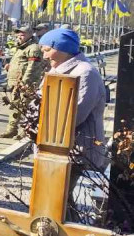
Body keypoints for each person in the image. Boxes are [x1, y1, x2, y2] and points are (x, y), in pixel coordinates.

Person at [39, 28, 107, 175]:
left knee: (60, 195)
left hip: (78, 150)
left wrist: (42, 124)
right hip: (57, 147)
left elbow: (75, 115)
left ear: (63, 49)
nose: (44, 56)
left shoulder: (84, 73)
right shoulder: (56, 70)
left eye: (47, 50)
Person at [0, 24, 46, 138]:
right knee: (15, 105)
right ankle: (12, 129)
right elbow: (20, 64)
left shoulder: (33, 47)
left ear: (30, 35)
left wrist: (24, 83)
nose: (19, 36)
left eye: (23, 34)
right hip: (15, 82)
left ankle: (25, 131)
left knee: (26, 107)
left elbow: (32, 66)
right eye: (18, 34)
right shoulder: (21, 47)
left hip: (26, 84)